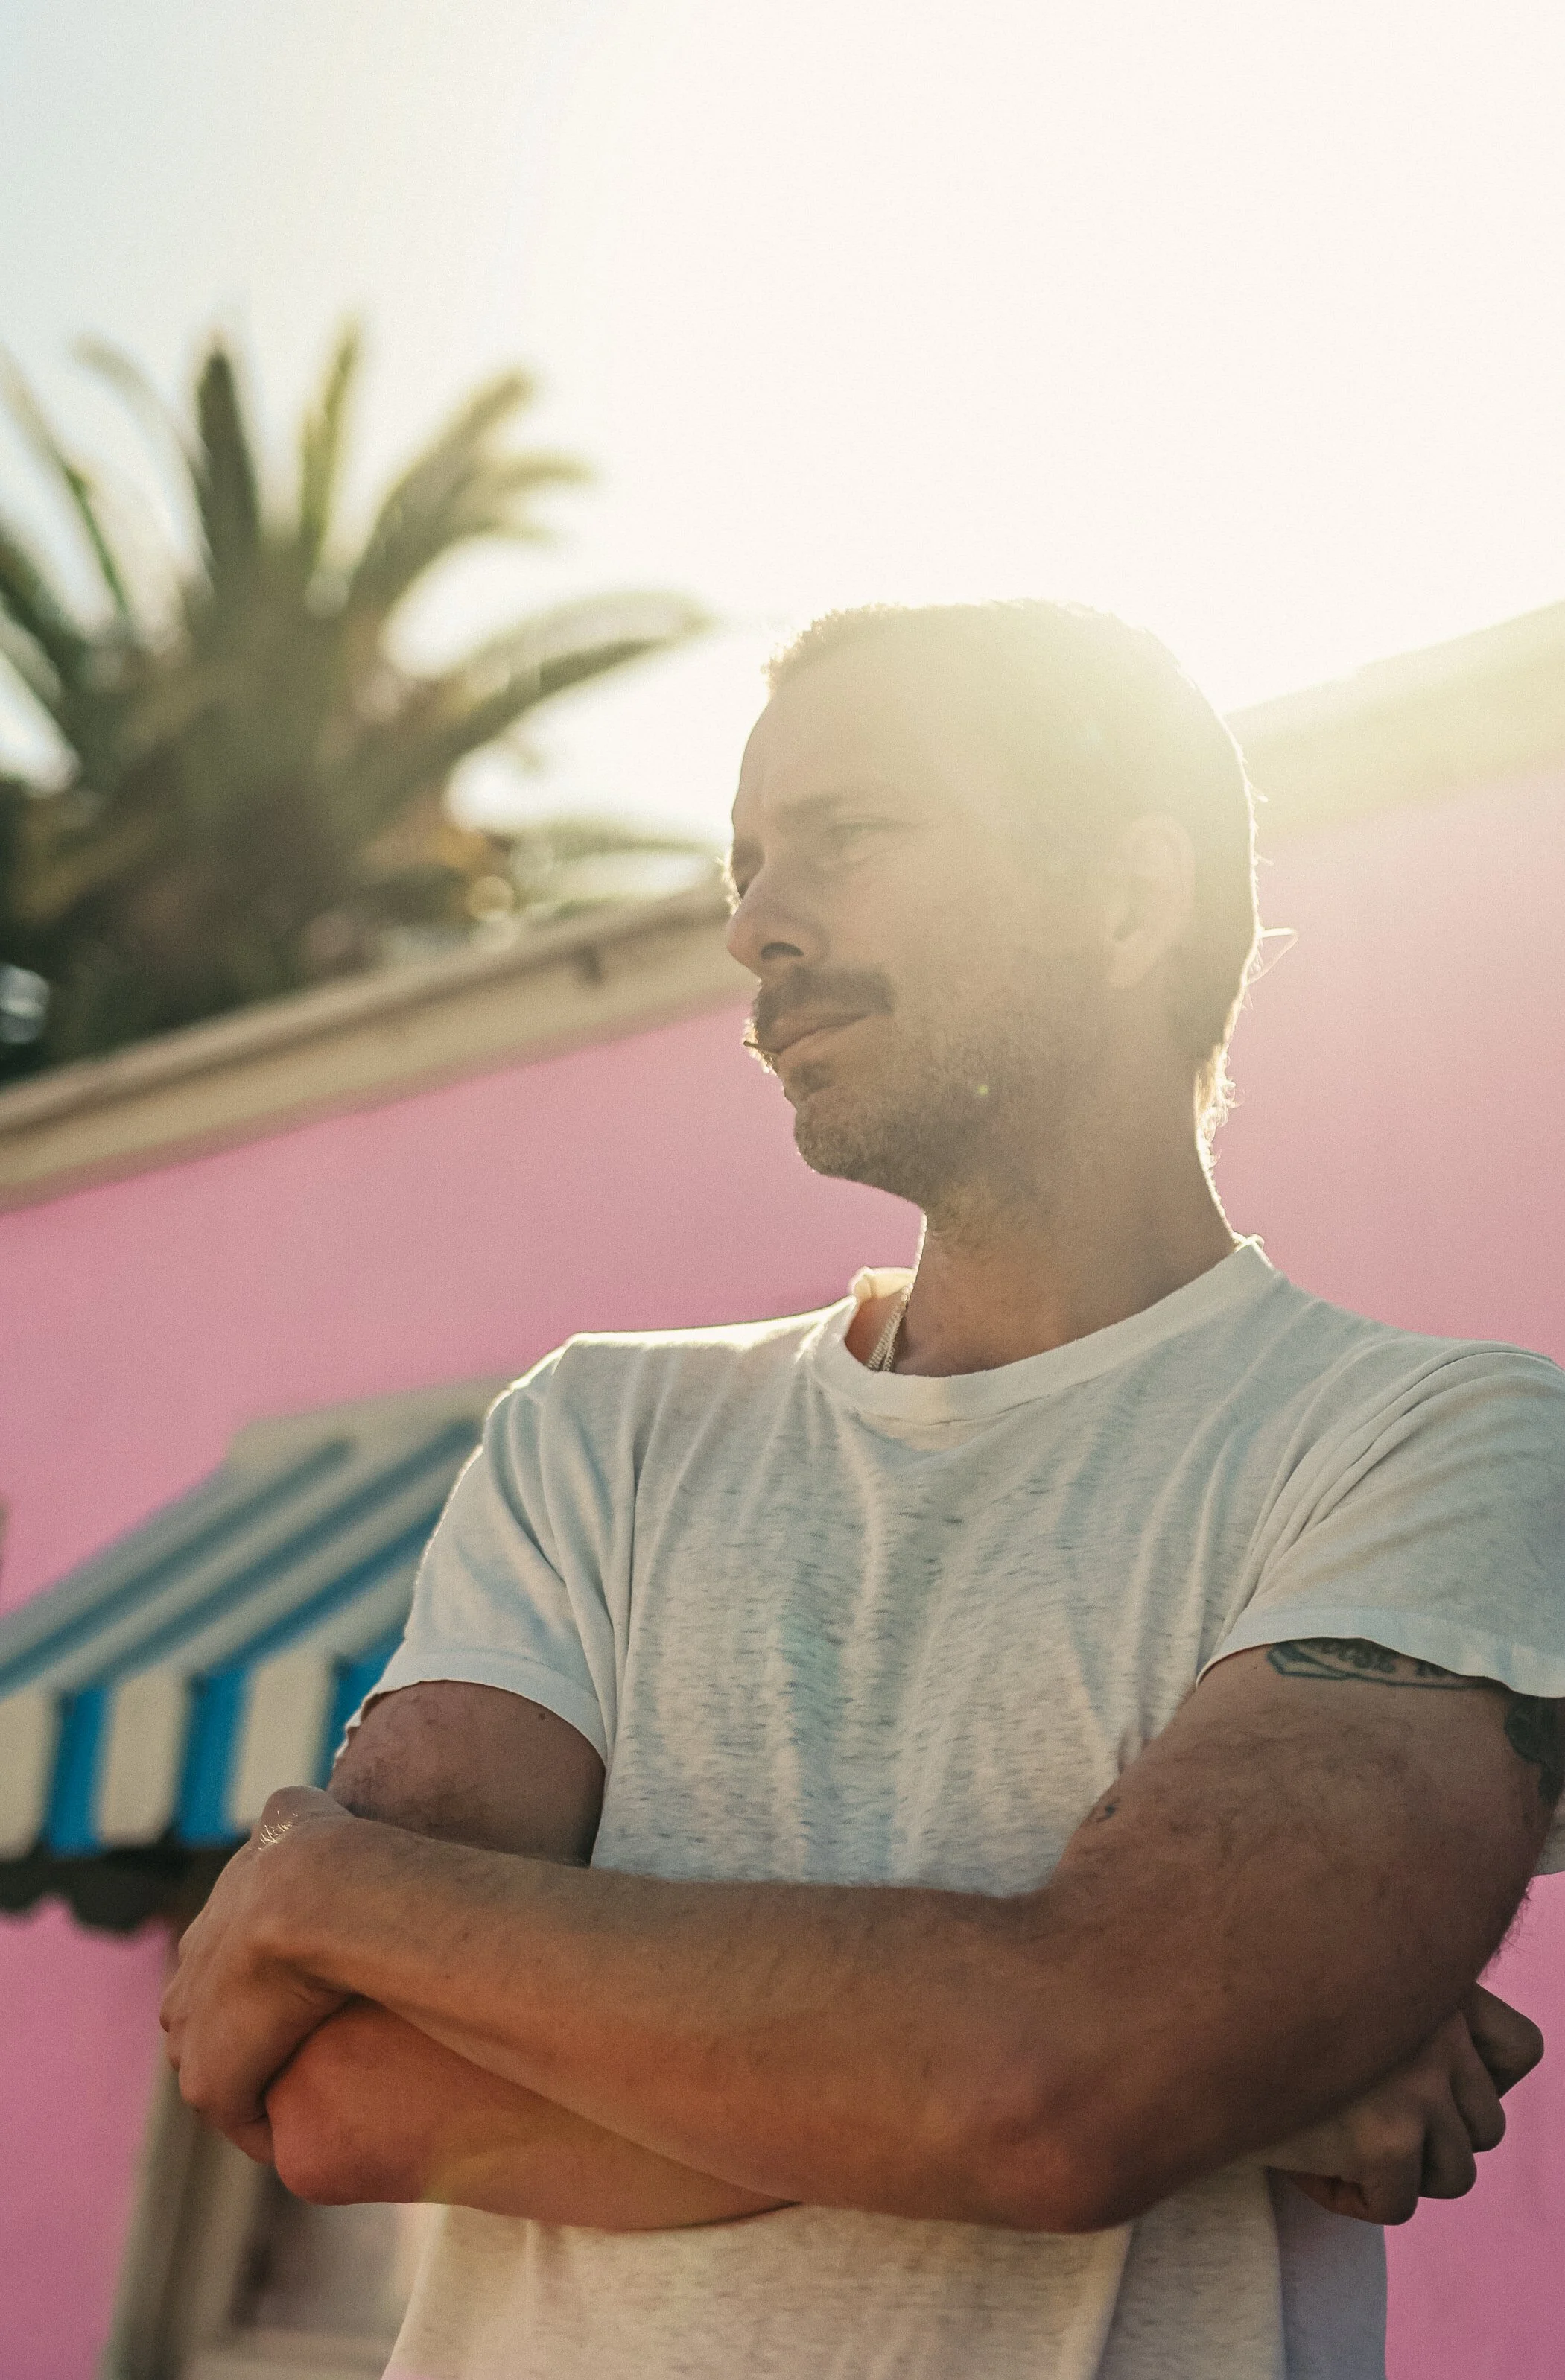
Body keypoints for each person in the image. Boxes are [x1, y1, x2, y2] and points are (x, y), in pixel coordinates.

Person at [163, 601, 1565, 2380]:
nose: (755, 921)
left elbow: (1057, 2092)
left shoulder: (1428, 1441)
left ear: (1131, 898)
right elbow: (338, 2092)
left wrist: (328, 1891)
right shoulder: (600, 1435)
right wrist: (1225, 2084)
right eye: (745, 862)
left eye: (848, 837)